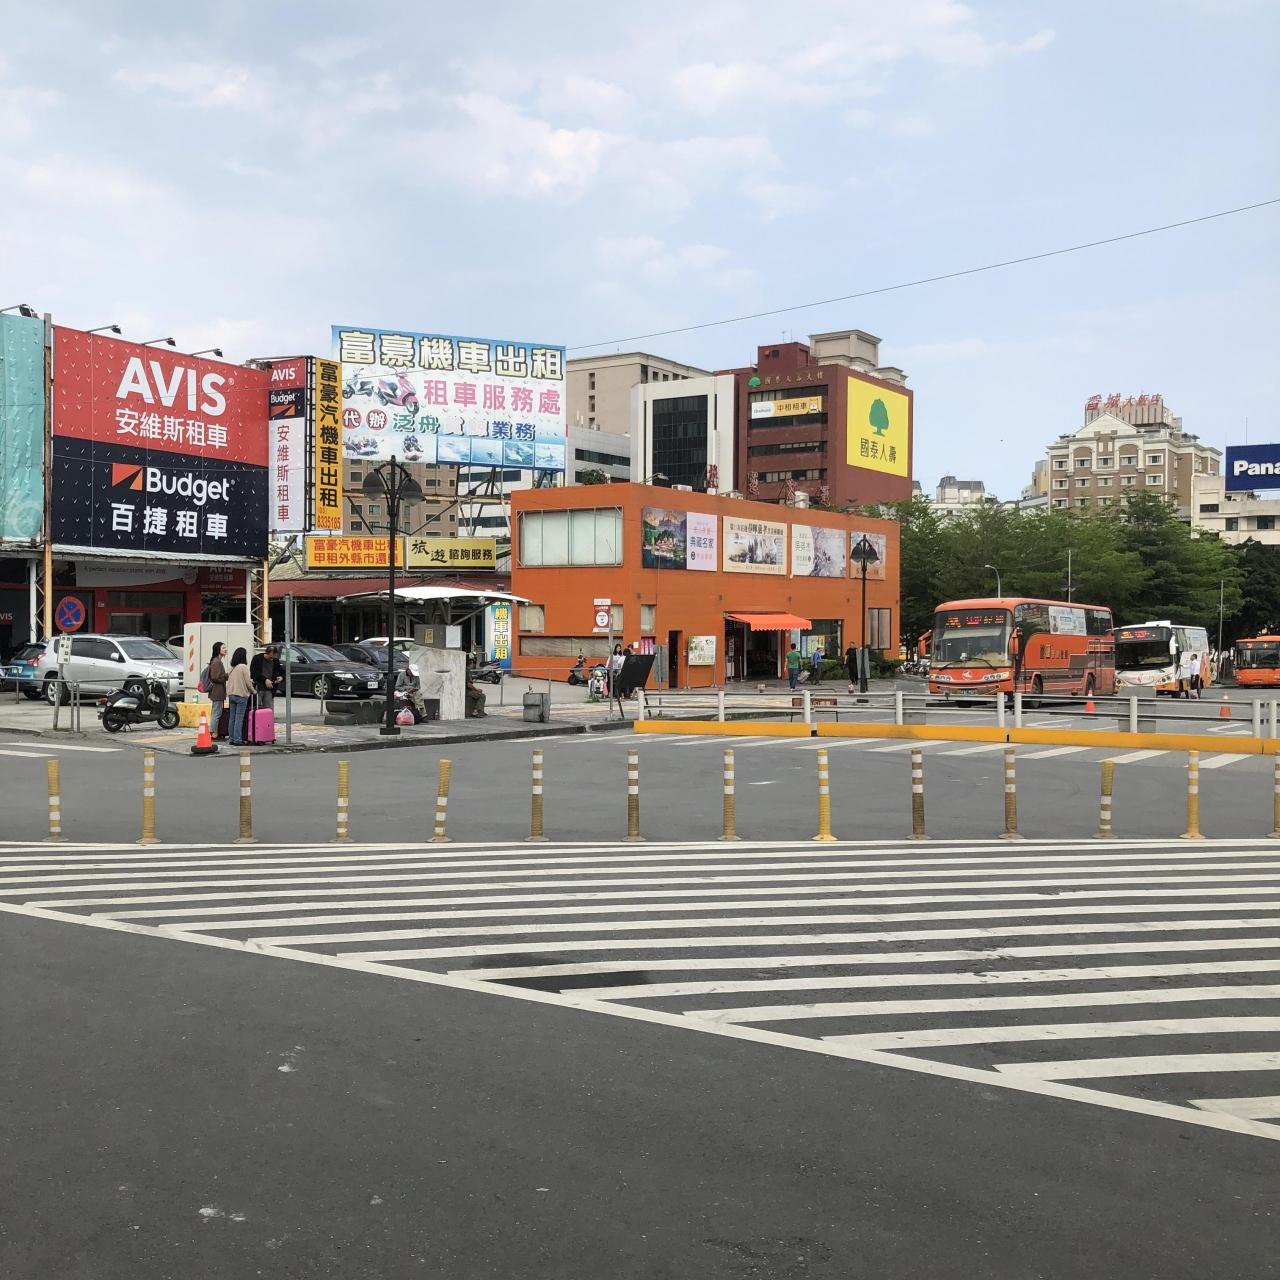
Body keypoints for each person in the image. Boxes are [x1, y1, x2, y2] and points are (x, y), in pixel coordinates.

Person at [226, 647, 254, 745]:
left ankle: (231, 738)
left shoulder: (231, 667)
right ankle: (237, 739)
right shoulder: (243, 667)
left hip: (231, 695)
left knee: (232, 718)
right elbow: (248, 682)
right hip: (241, 695)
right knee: (239, 718)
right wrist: (253, 691)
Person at [205, 642, 228, 738]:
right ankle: (213, 733)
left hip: (216, 691)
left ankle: (214, 732)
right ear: (218, 650)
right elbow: (215, 677)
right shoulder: (217, 662)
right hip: (217, 691)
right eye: (223, 648)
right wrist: (225, 676)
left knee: (216, 712)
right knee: (217, 713)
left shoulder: (215, 661)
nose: (226, 649)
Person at [250, 645, 283, 709]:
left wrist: (281, 677)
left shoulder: (275, 660)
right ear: (266, 653)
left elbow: (281, 671)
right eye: (270, 657)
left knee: (269, 709)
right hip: (258, 688)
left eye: (273, 657)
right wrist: (265, 680)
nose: (272, 659)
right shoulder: (257, 658)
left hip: (269, 689)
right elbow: (254, 672)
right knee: (258, 708)